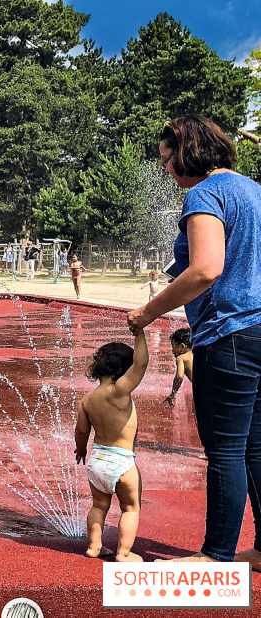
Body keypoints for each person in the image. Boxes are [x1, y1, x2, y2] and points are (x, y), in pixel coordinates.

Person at [127, 114, 261, 567]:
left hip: (230, 334)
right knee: (257, 447)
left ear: (190, 152)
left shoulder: (205, 194)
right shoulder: (255, 190)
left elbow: (206, 269)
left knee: (224, 449)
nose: (166, 170)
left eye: (168, 159)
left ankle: (216, 555)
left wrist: (148, 312)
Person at [75, 330, 148, 563]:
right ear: (124, 371)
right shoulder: (119, 391)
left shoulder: (87, 400)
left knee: (98, 505)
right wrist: (140, 334)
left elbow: (81, 431)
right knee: (130, 508)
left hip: (97, 461)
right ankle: (123, 553)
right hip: (121, 461)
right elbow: (142, 362)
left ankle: (95, 546)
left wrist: (81, 449)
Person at [164, 328, 193, 408]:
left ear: (182, 346)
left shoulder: (181, 358)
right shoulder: (196, 353)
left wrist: (173, 393)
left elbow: (179, 376)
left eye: (173, 347)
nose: (172, 351)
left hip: (202, 387)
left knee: (197, 411)